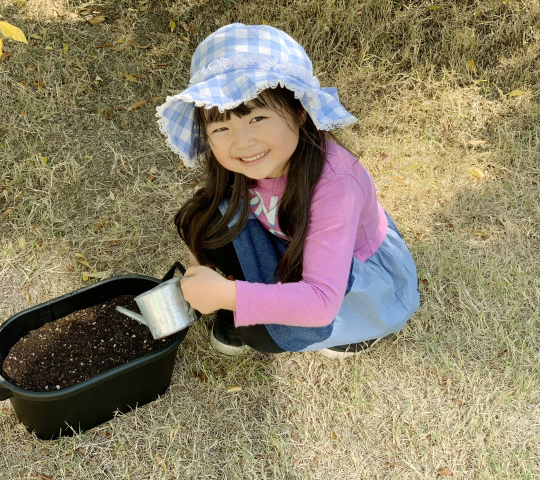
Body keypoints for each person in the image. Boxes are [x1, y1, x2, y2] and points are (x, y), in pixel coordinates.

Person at [156, 23, 420, 358]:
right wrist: (203, 266)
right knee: (208, 220)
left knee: (264, 332)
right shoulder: (244, 162)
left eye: (257, 119)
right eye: (222, 127)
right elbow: (211, 212)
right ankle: (236, 305)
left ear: (299, 110)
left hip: (351, 276)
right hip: (287, 240)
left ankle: (358, 326)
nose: (242, 142)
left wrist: (227, 294)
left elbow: (322, 301)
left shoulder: (337, 185)